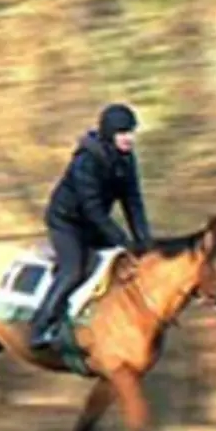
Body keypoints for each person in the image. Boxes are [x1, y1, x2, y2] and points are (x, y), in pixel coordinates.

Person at [30, 103, 153, 351]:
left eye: (132, 132)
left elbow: (133, 202)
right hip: (67, 222)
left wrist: (144, 241)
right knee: (74, 269)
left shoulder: (126, 161)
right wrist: (121, 239)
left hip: (93, 223)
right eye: (123, 133)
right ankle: (41, 326)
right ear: (109, 134)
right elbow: (92, 209)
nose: (129, 138)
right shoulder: (86, 162)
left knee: (125, 263)